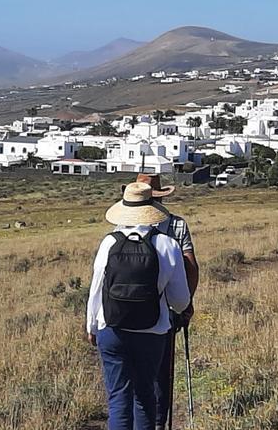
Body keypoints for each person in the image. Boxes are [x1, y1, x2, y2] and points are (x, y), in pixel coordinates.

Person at [86, 182, 191, 430]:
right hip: (152, 331)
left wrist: (92, 326)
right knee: (145, 397)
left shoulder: (109, 243)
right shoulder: (167, 245)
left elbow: (96, 289)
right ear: (153, 208)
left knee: (118, 399)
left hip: (112, 329)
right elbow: (180, 300)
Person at [128, 174, 199, 430]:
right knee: (160, 372)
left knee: (128, 373)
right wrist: (186, 305)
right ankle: (157, 423)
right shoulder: (177, 225)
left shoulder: (122, 228)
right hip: (164, 310)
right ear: (160, 197)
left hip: (124, 310)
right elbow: (191, 266)